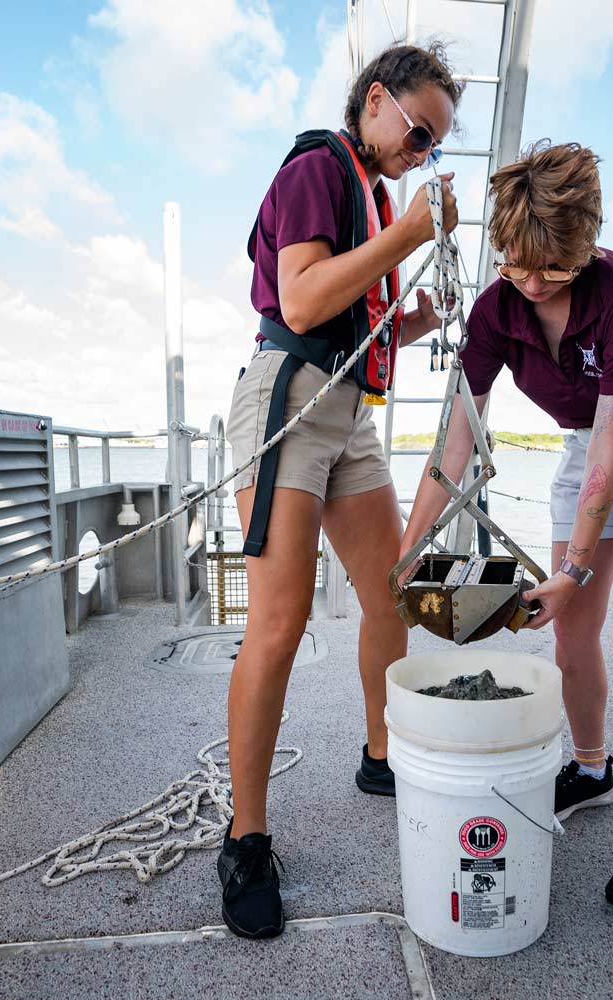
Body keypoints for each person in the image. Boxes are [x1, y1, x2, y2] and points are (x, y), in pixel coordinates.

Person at [402, 141, 613, 913]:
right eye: (518, 264)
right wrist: (405, 556)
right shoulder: (493, 310)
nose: (535, 282)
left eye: (555, 267)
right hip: (588, 446)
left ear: (587, 242)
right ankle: (590, 766)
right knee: (570, 632)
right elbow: (455, 444)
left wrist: (572, 570)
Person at [218, 43, 462, 939]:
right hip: (287, 400)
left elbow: (358, 310)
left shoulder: (378, 193)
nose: (423, 150)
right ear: (375, 100)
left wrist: (412, 314)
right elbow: (304, 299)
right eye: (419, 129)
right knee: (278, 622)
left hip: (350, 414)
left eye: (435, 143)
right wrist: (407, 240)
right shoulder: (321, 165)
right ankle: (246, 839)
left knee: (387, 591)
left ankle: (380, 753)